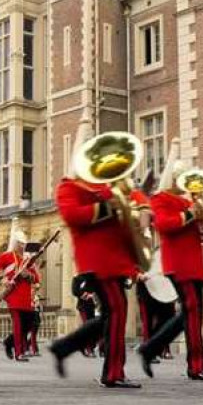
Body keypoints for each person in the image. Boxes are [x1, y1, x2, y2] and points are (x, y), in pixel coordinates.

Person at [49, 118, 144, 388]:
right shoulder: (69, 187)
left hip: (116, 260)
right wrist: (109, 207)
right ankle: (112, 373)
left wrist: (141, 209)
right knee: (116, 311)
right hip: (97, 261)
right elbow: (72, 215)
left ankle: (66, 348)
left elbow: (133, 198)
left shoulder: (106, 186)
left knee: (114, 313)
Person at [137, 143, 203, 381]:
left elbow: (201, 229)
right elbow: (164, 225)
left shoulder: (189, 202)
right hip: (178, 263)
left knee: (193, 314)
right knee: (191, 312)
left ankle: (151, 348)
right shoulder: (161, 199)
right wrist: (192, 214)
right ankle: (196, 365)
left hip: (194, 264)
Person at [0, 224, 40, 362]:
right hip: (13, 296)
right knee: (17, 325)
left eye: (24, 244)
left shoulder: (28, 260)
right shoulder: (6, 257)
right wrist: (3, 281)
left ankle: (8, 343)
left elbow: (36, 279)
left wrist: (28, 275)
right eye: (20, 244)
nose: (22, 247)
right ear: (15, 243)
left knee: (27, 325)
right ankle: (19, 353)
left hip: (26, 297)